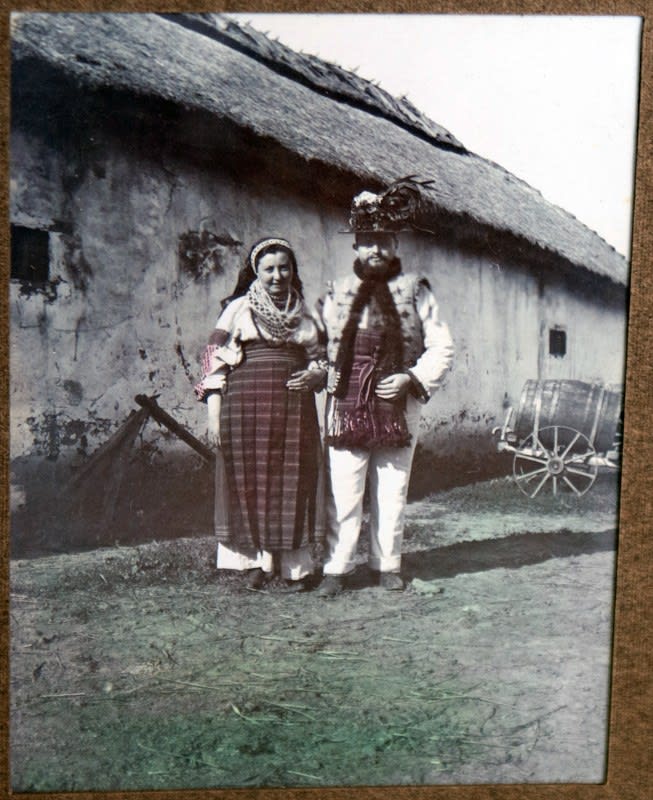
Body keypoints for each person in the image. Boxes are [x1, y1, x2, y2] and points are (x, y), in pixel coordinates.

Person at [315, 181, 454, 596]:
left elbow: (442, 345)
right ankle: (337, 568)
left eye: (383, 240)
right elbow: (317, 341)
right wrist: (325, 369)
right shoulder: (337, 291)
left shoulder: (416, 290)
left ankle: (387, 564)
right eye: (367, 241)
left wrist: (411, 378)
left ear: (395, 244)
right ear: (356, 245)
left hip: (398, 400)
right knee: (345, 485)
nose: (375, 249)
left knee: (392, 484)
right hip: (346, 399)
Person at [195, 237, 326, 591]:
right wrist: (213, 416)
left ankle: (294, 568)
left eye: (284, 268)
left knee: (292, 480)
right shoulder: (237, 309)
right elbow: (213, 361)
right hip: (245, 405)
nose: (277, 276)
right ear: (256, 271)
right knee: (251, 480)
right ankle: (257, 563)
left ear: (293, 270)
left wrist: (316, 374)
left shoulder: (306, 313)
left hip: (293, 406)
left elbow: (322, 360)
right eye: (269, 269)